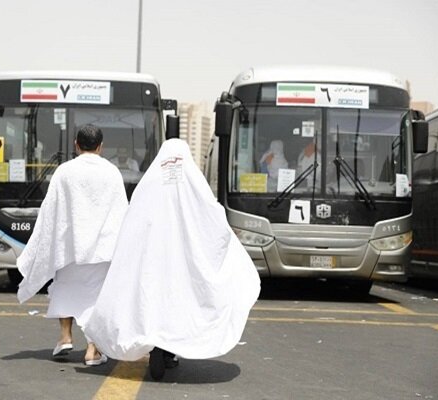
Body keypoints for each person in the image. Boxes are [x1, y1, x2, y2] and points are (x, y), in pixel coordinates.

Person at [83, 138, 261, 380]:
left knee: (151, 299)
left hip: (151, 258)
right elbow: (212, 214)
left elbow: (133, 216)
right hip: (182, 260)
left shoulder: (150, 181)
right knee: (177, 301)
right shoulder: (192, 180)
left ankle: (156, 343)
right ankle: (171, 347)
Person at [16, 124, 128, 366]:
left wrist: (45, 244)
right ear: (101, 146)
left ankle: (65, 337)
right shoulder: (112, 172)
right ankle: (92, 349)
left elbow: (51, 209)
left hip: (70, 248)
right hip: (102, 250)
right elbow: (121, 212)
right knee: (97, 299)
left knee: (64, 289)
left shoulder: (64, 172)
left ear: (76, 144)